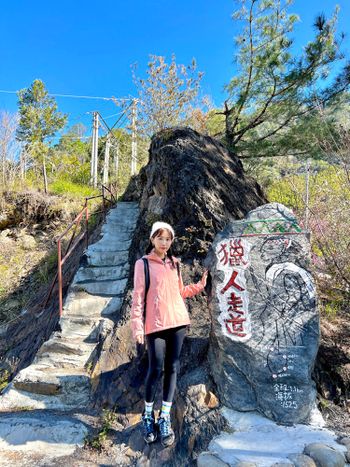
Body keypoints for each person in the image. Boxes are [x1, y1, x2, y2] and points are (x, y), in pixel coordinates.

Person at [130, 221, 208, 447]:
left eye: (168, 239)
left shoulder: (175, 264)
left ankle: (164, 417)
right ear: (152, 239)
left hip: (178, 323)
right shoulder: (142, 264)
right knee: (155, 368)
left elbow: (180, 292)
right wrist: (137, 327)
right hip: (155, 325)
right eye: (160, 238)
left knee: (172, 368)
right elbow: (138, 299)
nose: (164, 243)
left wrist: (200, 286)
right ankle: (147, 416)